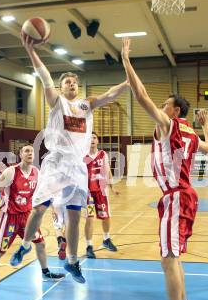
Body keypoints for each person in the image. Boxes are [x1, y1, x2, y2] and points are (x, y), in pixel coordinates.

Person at [121, 37, 208, 300]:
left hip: (176, 196)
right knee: (174, 259)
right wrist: (205, 125)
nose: (161, 107)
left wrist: (125, 58)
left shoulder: (170, 125)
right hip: (182, 196)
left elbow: (140, 93)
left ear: (175, 110)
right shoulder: (190, 131)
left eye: (166, 104)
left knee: (168, 259)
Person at [10, 34, 129, 284]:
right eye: (67, 82)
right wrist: (30, 50)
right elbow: (43, 75)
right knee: (39, 208)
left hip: (77, 166)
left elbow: (110, 93)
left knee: (76, 216)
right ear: (61, 87)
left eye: (74, 82)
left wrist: (129, 76)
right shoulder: (56, 102)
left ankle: (73, 261)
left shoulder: (87, 105)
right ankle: (25, 245)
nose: (71, 85)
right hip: (55, 163)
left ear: (79, 86)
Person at [0, 145, 64, 290]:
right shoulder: (11, 172)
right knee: (0, 249)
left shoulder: (36, 172)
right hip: (9, 217)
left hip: (27, 216)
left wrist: (53, 207)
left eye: (31, 151)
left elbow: (44, 191)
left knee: (40, 243)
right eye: (26, 151)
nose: (30, 153)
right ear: (20, 154)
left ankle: (45, 272)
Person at [84, 132, 119, 259]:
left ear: (98, 141)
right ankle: (89, 246)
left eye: (94, 138)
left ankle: (106, 239)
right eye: (90, 138)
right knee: (90, 217)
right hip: (88, 193)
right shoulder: (83, 155)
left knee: (105, 216)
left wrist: (112, 187)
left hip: (101, 192)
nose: (92, 140)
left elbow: (107, 170)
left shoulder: (103, 154)